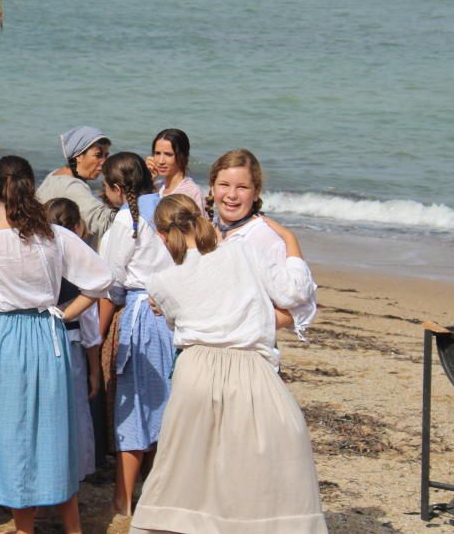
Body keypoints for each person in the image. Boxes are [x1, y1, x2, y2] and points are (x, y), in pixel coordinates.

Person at [131, 194, 326, 534]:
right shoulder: (241, 251)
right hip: (250, 368)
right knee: (264, 468)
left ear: (162, 236)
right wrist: (291, 242)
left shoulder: (160, 282)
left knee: (186, 469)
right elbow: (294, 293)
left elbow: (178, 321)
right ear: (200, 219)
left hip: (195, 371)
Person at [0, 155, 113, 534]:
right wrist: (64, 312)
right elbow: (100, 280)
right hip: (46, 333)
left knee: (9, 433)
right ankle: (72, 527)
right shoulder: (55, 235)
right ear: (32, 187)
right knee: (55, 431)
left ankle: (25, 528)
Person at [97, 152, 176, 516]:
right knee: (164, 408)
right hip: (170, 316)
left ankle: (123, 499)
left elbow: (109, 283)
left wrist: (96, 334)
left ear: (116, 188)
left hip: (140, 316)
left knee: (133, 410)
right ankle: (159, 491)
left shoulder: (125, 222)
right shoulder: (166, 209)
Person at [206, 149, 318, 340]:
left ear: (256, 192)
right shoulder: (204, 233)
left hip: (248, 352)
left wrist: (243, 325)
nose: (232, 195)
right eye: (224, 185)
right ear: (212, 188)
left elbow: (302, 303)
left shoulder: (264, 237)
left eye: (242, 187)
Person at [44, 197, 102, 482]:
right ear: (77, 227)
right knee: (76, 409)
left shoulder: (41, 264)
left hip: (42, 342)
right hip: (73, 344)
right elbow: (90, 330)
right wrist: (96, 370)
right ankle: (78, 470)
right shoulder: (80, 270)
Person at [36, 126, 116, 245]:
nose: (104, 161)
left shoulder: (54, 175)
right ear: (78, 156)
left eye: (106, 156)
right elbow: (104, 223)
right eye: (98, 155)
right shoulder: (73, 187)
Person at [146, 128, 205, 215]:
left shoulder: (192, 192)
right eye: (157, 153)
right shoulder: (157, 187)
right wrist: (147, 179)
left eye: (168, 154)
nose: (161, 161)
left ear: (182, 156)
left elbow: (201, 227)